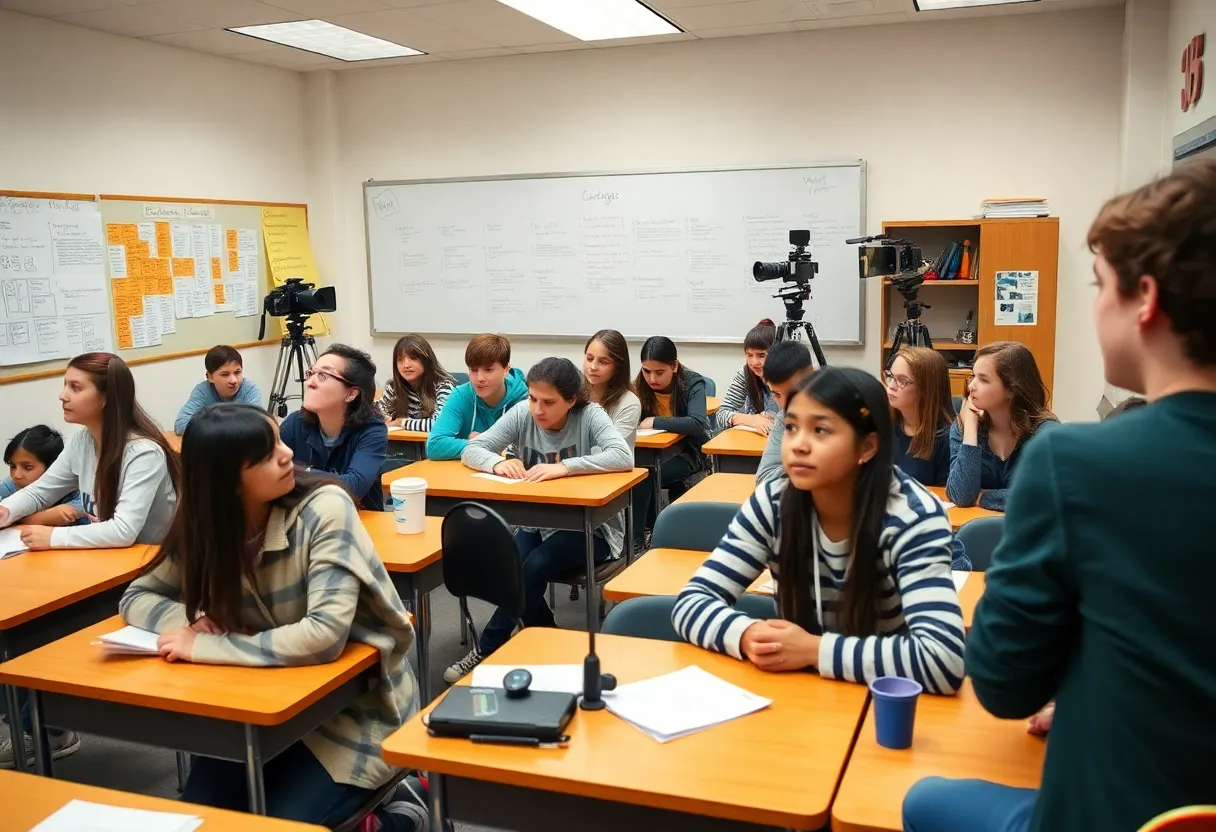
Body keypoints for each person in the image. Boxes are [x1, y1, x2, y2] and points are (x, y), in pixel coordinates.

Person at [902, 160, 1216, 832]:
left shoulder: (1074, 462)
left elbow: (1004, 683)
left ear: (1147, 300)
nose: (1096, 305)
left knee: (919, 799)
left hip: (1109, 814)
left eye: (1101, 286)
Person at [118, 404, 426, 829]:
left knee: (281, 825)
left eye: (280, 440)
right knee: (198, 820)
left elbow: (324, 636)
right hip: (255, 704)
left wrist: (205, 644)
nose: (287, 455)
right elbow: (138, 594)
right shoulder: (207, 524)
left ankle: (404, 817)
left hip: (354, 713)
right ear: (225, 482)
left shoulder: (324, 507)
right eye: (266, 454)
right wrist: (184, 622)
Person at [672, 367, 964, 694]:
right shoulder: (775, 500)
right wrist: (746, 634)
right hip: (799, 695)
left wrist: (813, 649)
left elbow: (943, 659)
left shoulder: (912, 515)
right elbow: (691, 602)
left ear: (867, 447)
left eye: (821, 430)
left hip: (880, 700)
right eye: (792, 427)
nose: (798, 445)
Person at [445, 358, 633, 681]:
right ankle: (550, 636)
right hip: (538, 523)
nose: (537, 409)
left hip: (592, 528)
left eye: (548, 402)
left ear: (571, 400)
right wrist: (496, 463)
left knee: (533, 567)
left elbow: (623, 456)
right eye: (533, 398)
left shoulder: (590, 416)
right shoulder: (522, 412)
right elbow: (472, 450)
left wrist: (566, 467)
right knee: (509, 566)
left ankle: (488, 648)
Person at [0, 353, 179, 550]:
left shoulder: (144, 453)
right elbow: (41, 492)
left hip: (147, 561)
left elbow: (123, 531)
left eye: (75, 387)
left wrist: (53, 536)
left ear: (106, 398)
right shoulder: (81, 440)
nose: (62, 395)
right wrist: (6, 510)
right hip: (106, 555)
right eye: (65, 385)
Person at [946, 342, 1056, 510]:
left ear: (1012, 389)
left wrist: (983, 497)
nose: (970, 386)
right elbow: (962, 496)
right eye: (973, 376)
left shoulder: (1045, 434)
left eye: (983, 380)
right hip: (978, 532)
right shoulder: (963, 426)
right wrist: (970, 431)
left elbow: (1043, 497)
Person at [279, 344, 387, 512]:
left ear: (351, 394)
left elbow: (353, 487)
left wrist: (296, 470)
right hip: (305, 519)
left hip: (359, 523)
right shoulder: (295, 423)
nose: (310, 383)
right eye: (311, 373)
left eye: (323, 375)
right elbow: (265, 469)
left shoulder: (372, 430)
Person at [631, 336, 710, 549]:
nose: (651, 378)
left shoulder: (692, 382)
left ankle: (642, 538)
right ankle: (646, 534)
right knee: (642, 472)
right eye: (646, 371)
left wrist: (654, 421)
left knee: (646, 474)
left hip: (690, 454)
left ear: (674, 366)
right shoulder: (639, 386)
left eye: (659, 372)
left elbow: (697, 423)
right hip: (652, 454)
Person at [425, 333, 528, 461]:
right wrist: (481, 444)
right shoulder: (460, 396)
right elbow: (434, 446)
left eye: (488, 370)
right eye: (473, 370)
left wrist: (480, 441)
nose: (479, 378)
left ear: (506, 369)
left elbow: (529, 449)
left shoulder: (524, 399)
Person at [886, 347, 955, 486]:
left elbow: (947, 497)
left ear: (926, 389)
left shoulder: (947, 439)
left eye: (903, 381)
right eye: (890, 376)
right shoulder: (884, 425)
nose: (891, 386)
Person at [0, 425, 88, 526]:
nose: (16, 475)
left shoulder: (81, 496)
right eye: (12, 466)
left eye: (28, 467)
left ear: (54, 467)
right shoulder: (11, 484)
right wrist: (44, 517)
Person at [755, 341, 815, 484]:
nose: (786, 404)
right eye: (776, 394)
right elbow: (764, 478)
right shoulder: (784, 418)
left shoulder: (840, 411)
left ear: (812, 376)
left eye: (792, 392)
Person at [174, 345, 263, 435]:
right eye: (225, 374)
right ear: (209, 377)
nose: (234, 380)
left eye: (237, 372)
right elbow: (181, 425)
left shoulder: (250, 389)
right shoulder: (202, 391)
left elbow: (256, 425)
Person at [375, 334, 456, 431]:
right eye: (400, 360)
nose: (406, 365)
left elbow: (439, 424)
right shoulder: (394, 387)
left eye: (413, 358)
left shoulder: (443, 386)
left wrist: (402, 422)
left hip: (431, 444)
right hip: (401, 442)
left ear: (426, 360)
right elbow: (378, 414)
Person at [714, 319, 779, 434]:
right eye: (749, 355)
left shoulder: (790, 376)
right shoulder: (745, 374)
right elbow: (721, 414)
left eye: (761, 355)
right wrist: (752, 420)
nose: (754, 362)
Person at [583, 329, 641, 448]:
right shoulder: (571, 394)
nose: (593, 367)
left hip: (611, 465)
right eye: (589, 359)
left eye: (603, 362)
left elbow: (611, 451)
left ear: (618, 366)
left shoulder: (629, 403)